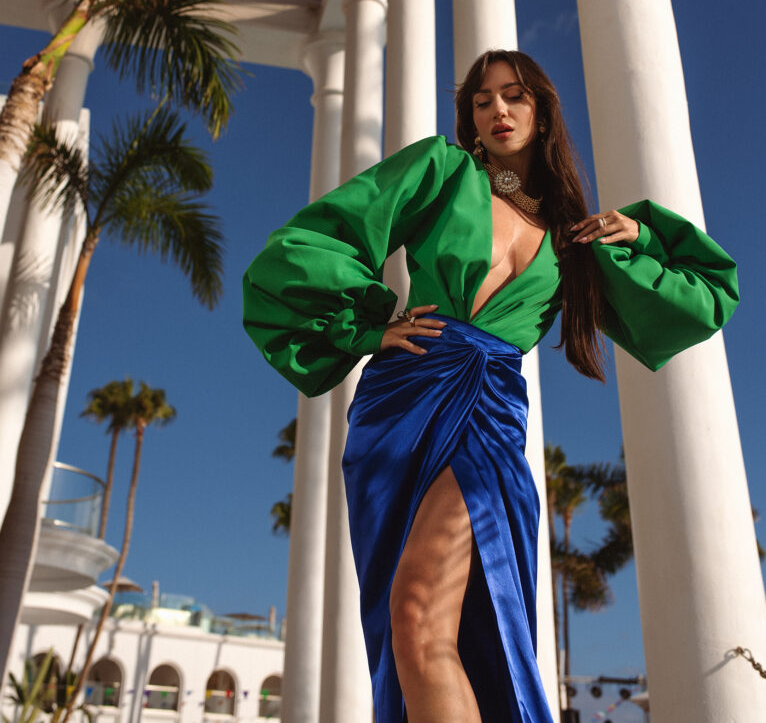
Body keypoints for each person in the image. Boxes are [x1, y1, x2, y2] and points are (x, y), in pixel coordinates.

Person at [243, 49, 738, 723]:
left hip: (491, 414)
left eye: (514, 96)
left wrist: (644, 233)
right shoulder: (441, 171)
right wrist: (368, 329)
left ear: (542, 113)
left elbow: (705, 296)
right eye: (482, 100)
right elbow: (307, 243)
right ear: (470, 119)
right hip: (402, 402)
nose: (498, 109)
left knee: (418, 609)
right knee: (406, 626)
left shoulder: (573, 241)